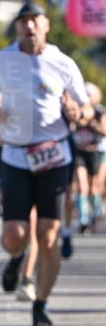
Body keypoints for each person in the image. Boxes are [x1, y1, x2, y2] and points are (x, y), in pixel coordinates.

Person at [0, 1, 92, 326]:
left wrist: (78, 114)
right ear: (17, 27)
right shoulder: (1, 61)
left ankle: (40, 305)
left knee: (48, 236)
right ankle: (17, 257)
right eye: (23, 21)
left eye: (35, 21)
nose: (29, 27)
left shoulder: (62, 63)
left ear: (46, 25)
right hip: (15, 156)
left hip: (54, 156)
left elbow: (86, 110)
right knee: (14, 235)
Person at [71, 81, 106, 234]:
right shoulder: (76, 111)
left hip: (95, 152)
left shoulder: (99, 111)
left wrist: (91, 122)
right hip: (79, 152)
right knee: (81, 185)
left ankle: (96, 213)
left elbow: (104, 131)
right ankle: (83, 219)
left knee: (94, 186)